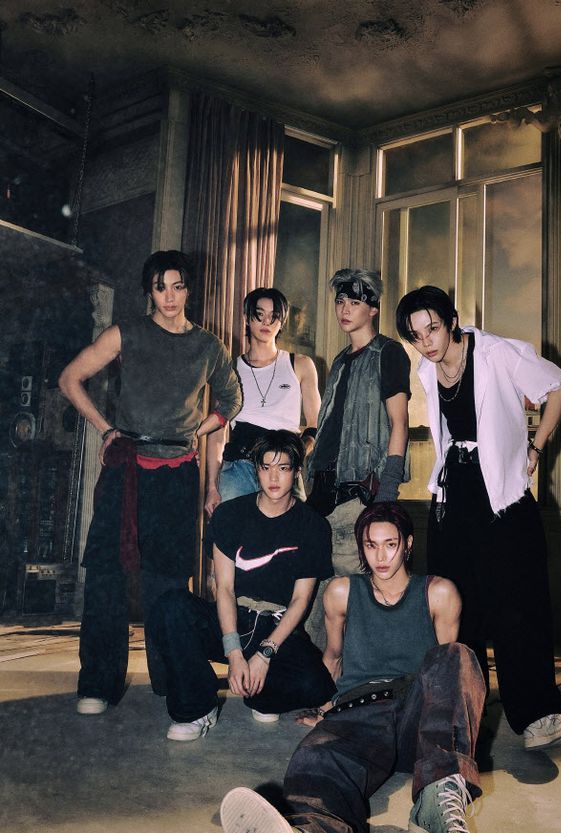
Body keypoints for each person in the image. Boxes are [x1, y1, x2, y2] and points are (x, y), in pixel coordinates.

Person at [221, 502, 490, 833]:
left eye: (390, 544)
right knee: (317, 757)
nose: (381, 556)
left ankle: (436, 800)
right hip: (359, 708)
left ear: (408, 544)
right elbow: (333, 656)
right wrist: (323, 709)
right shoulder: (342, 592)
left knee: (457, 656)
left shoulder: (438, 592)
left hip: (417, 716)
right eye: (371, 545)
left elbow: (448, 679)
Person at [395, 285, 561, 751]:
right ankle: (462, 719)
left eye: (432, 329)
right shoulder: (426, 368)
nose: (426, 342)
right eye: (415, 335)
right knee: (457, 609)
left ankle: (538, 716)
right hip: (454, 496)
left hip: (502, 495)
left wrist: (536, 447)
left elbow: (560, 386)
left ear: (451, 321)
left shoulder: (497, 352)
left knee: (518, 606)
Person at [59, 250, 241, 715]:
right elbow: (70, 378)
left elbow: (231, 398)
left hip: (177, 474)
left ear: (189, 290)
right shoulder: (127, 333)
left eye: (178, 287)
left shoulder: (208, 345)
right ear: (150, 292)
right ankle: (98, 685)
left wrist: (198, 429)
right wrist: (105, 428)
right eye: (161, 288)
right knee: (107, 574)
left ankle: (170, 679)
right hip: (127, 468)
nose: (170, 297)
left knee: (168, 580)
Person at [149, 431, 336, 740]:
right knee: (171, 608)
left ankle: (262, 696)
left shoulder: (312, 526)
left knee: (314, 685)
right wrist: (234, 652)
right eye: (265, 467)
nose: (273, 477)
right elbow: (223, 588)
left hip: (276, 626)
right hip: (233, 617)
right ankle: (197, 708)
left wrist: (264, 654)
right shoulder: (230, 515)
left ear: (296, 472)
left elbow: (300, 600)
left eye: (283, 468)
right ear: (256, 470)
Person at [305, 268, 410, 648]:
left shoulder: (389, 353)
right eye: (340, 301)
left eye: (354, 302)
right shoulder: (340, 361)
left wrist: (386, 494)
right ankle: (321, 675)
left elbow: (399, 423)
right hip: (321, 494)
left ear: (373, 309)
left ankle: (361, 677)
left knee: (354, 597)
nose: (344, 309)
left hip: (358, 494)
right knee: (317, 598)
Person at [206, 287, 320, 513]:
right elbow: (217, 431)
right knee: (235, 532)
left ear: (282, 321)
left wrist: (294, 456)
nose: (267, 322)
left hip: (284, 466)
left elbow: (316, 426)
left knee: (293, 532)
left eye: (274, 316)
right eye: (260, 315)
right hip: (239, 467)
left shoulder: (300, 364)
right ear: (247, 317)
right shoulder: (231, 369)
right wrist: (211, 486)